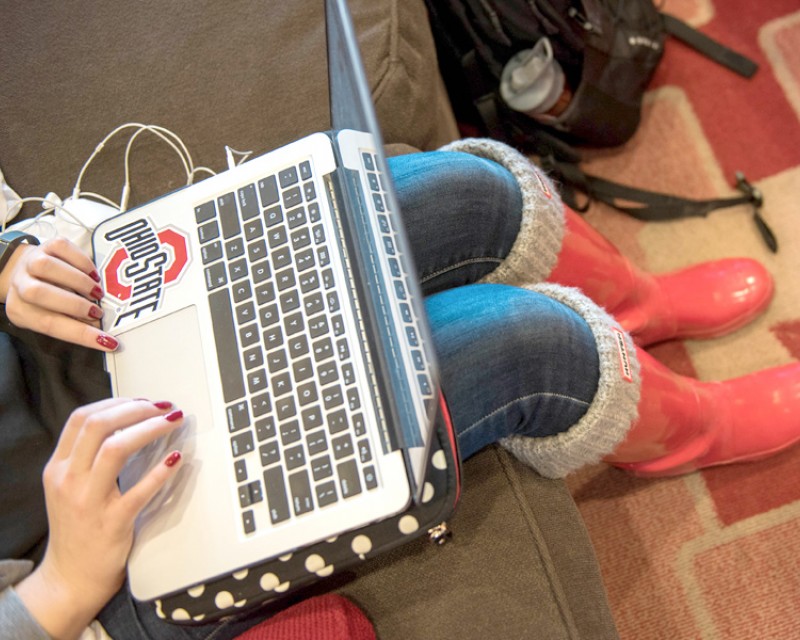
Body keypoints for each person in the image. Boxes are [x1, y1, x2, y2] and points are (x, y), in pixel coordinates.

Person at [2, 136, 800, 639]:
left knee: (474, 192)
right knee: (525, 337)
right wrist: (57, 593)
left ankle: (641, 307)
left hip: (72, 341)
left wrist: (11, 253)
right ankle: (691, 426)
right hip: (80, 566)